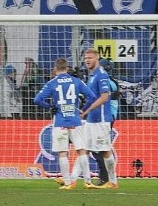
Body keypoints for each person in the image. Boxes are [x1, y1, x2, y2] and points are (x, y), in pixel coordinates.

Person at [34, 58, 96, 189]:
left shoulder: (52, 83)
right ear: (67, 68)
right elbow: (92, 97)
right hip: (75, 120)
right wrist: (83, 110)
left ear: (55, 69)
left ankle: (68, 183)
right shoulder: (76, 81)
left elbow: (37, 99)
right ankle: (88, 181)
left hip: (60, 121)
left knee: (63, 152)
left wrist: (50, 106)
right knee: (81, 150)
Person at [80, 48, 118, 189]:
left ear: (97, 58)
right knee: (84, 148)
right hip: (91, 119)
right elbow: (91, 98)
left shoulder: (102, 75)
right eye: (85, 58)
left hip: (101, 119)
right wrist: (83, 111)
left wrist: (88, 110)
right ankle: (74, 180)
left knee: (105, 150)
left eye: (90, 58)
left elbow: (104, 97)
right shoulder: (92, 76)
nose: (87, 61)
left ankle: (113, 181)